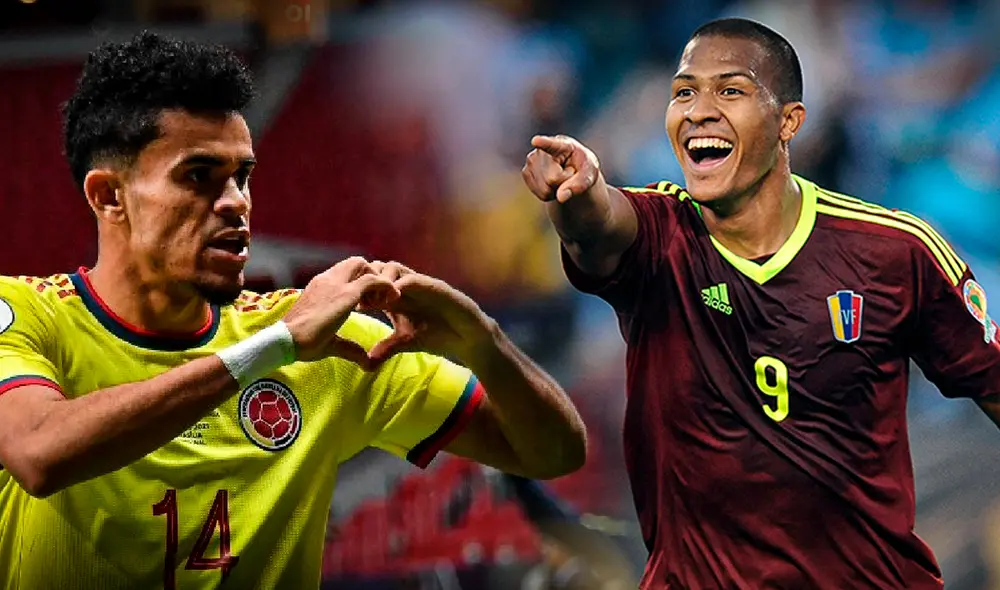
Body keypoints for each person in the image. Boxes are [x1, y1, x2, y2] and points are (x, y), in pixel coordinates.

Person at [0, 32, 586, 589]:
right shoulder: (26, 313)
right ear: (109, 196)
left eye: (242, 177)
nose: (235, 203)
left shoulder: (326, 344)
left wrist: (485, 343)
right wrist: (275, 346)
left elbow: (552, 453)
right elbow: (38, 453)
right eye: (199, 176)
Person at [522, 17, 1000, 590]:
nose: (698, 110)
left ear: (788, 121)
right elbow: (598, 225)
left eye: (730, 90)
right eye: (684, 92)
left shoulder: (896, 252)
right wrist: (577, 194)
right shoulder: (659, 238)